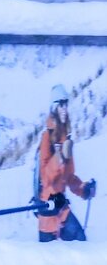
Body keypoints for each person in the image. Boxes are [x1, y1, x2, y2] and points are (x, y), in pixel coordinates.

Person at [37, 84, 95, 242]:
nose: (64, 108)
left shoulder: (65, 138)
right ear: (54, 107)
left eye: (66, 104)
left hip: (60, 202)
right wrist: (60, 157)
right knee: (49, 259)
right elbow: (45, 177)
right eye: (60, 104)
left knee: (80, 241)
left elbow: (69, 177)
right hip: (47, 205)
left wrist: (83, 189)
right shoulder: (46, 138)